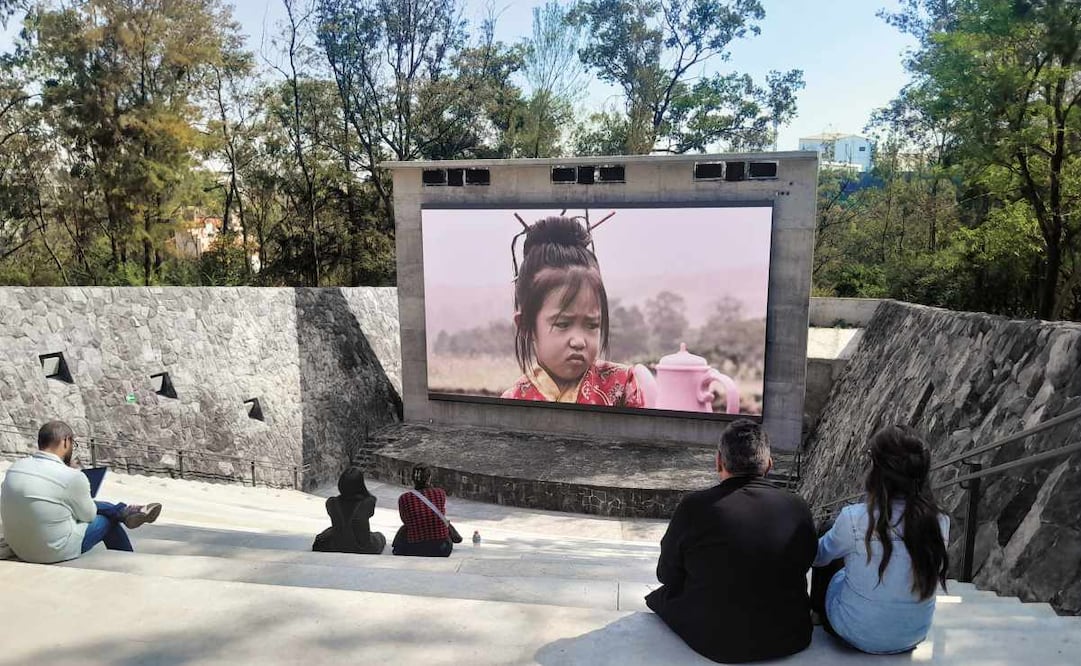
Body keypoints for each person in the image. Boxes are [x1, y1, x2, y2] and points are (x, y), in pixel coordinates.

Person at [645, 419, 817, 663]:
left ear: (718, 462)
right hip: (791, 635)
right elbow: (805, 561)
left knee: (660, 596)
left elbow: (667, 575)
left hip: (716, 641)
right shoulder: (797, 507)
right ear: (769, 464)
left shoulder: (695, 507)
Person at [810, 425, 950, 655]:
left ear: (877, 471)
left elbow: (818, 557)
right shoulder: (940, 520)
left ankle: (816, 613)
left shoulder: (855, 518)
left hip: (855, 632)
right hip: (914, 634)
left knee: (829, 533)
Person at [501, 216, 645, 407]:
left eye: (592, 325)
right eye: (563, 324)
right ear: (527, 326)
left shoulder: (622, 385)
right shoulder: (512, 403)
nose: (579, 341)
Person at [0, 421, 162, 564]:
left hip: (20, 547)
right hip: (50, 552)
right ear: (65, 442)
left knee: (76, 505)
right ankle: (128, 550)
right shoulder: (71, 477)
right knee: (108, 520)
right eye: (73, 444)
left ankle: (125, 512)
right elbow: (89, 517)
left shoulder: (15, 468)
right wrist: (72, 476)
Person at [312, 466, 386, 554]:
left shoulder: (332, 503)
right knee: (380, 536)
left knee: (327, 533)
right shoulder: (369, 502)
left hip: (337, 544)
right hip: (363, 546)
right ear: (361, 484)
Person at [392, 464, 458, 557]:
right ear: (429, 478)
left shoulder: (404, 498)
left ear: (412, 479)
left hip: (416, 548)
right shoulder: (440, 493)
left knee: (404, 530)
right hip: (441, 548)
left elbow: (406, 521)